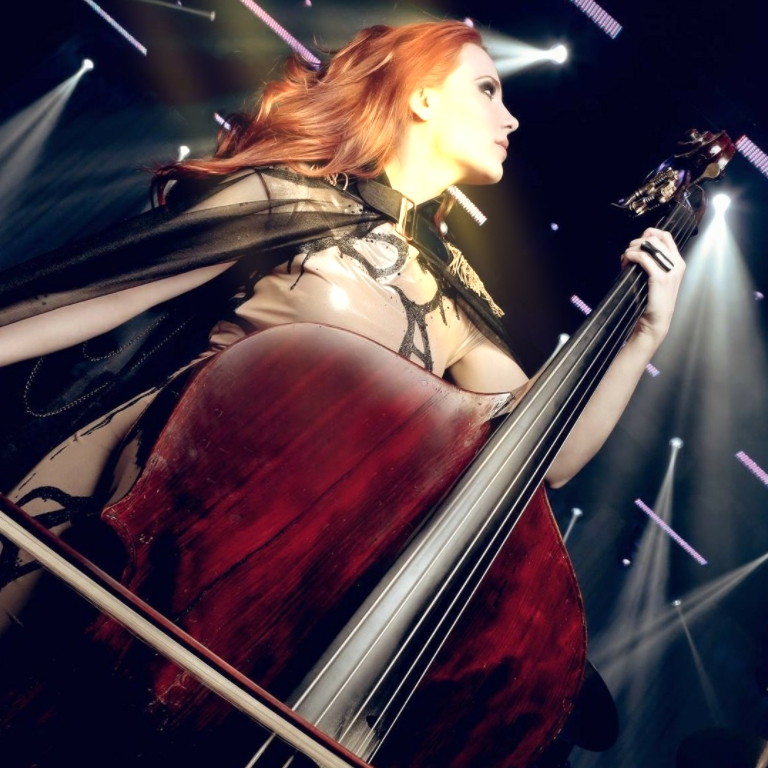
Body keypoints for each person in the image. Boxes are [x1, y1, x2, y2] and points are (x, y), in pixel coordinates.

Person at [0, 18, 684, 766]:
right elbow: (92, 300)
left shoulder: (455, 293)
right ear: (423, 98)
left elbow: (549, 456)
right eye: (487, 90)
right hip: (139, 527)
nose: (510, 117)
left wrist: (641, 337)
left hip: (262, 594)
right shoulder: (291, 197)